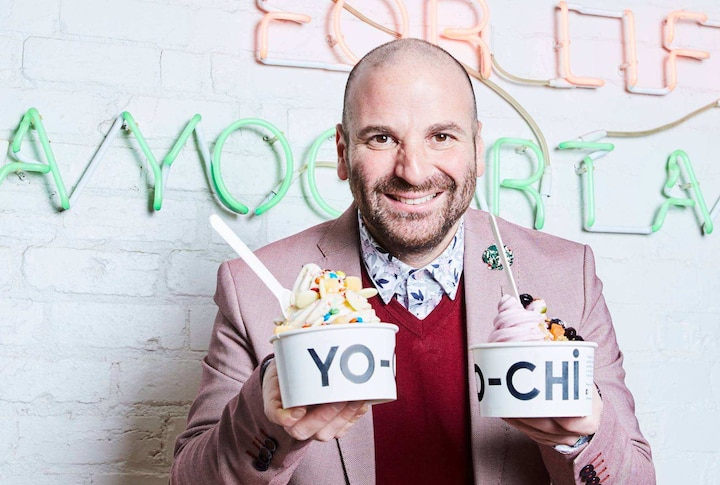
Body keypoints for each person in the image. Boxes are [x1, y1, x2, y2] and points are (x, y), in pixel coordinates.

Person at [171, 38, 655, 484]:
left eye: (441, 136)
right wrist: (267, 416)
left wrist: (580, 435)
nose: (414, 171)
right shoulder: (255, 286)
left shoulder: (566, 275)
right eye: (381, 138)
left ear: (477, 149)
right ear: (342, 152)